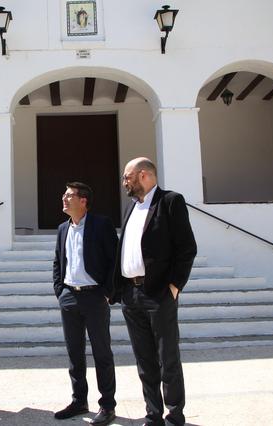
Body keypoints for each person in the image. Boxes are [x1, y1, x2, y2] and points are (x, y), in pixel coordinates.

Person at [112, 158, 197, 426]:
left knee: (167, 358)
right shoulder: (131, 207)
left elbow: (187, 248)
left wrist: (174, 286)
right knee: (144, 360)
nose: (124, 182)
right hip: (131, 294)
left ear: (144, 175)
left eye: (128, 177)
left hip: (158, 293)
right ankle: (153, 414)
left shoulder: (170, 201)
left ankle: (174, 415)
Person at [53, 182, 118, 426]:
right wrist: (60, 290)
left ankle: (107, 405)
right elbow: (58, 262)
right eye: (65, 193)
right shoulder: (62, 228)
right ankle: (79, 400)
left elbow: (114, 260)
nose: (64, 198)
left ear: (83, 201)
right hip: (69, 296)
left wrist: (107, 293)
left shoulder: (101, 224)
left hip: (94, 297)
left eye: (69, 195)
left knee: (102, 353)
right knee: (74, 354)